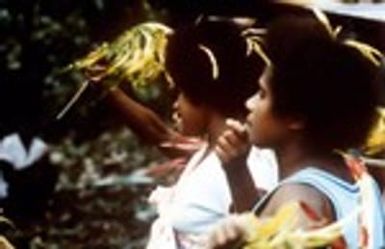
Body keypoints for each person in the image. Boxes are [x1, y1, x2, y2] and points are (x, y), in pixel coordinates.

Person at [207, 16, 385, 248]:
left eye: (262, 94)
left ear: (296, 118)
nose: (249, 104)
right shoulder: (355, 171)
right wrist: (237, 171)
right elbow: (264, 230)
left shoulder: (298, 204)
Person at [145, 18, 278, 249]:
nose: (176, 105)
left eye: (181, 93)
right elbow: (159, 136)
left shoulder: (249, 165)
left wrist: (238, 172)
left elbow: (262, 235)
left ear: (202, 94)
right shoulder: (209, 152)